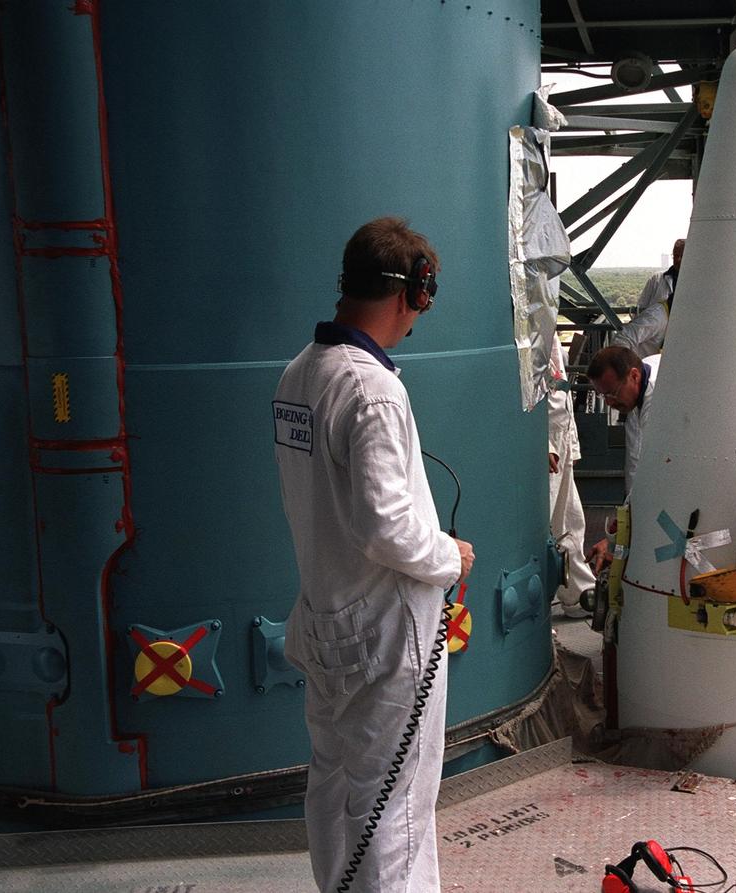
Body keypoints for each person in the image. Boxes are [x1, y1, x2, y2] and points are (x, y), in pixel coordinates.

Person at [273, 216, 474, 892]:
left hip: (327, 624)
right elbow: (386, 527)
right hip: (388, 639)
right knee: (397, 806)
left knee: (334, 789)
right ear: (414, 293)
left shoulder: (298, 374)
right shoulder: (372, 389)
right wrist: (449, 556)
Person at [584, 344, 659, 574]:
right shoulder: (639, 385)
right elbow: (636, 464)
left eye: (612, 393)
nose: (608, 403)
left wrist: (616, 539)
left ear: (634, 376)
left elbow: (651, 473)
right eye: (603, 396)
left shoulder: (659, 398)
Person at [547, 333, 597, 617]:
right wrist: (540, 441)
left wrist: (571, 443)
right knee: (544, 523)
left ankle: (578, 594)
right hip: (546, 434)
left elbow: (559, 383)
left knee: (569, 520)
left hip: (560, 429)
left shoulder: (544, 318)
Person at [612, 238, 684, 358]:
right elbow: (641, 310)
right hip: (652, 338)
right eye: (676, 255)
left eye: (682, 255)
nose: (678, 259)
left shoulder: (696, 282)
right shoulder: (657, 280)